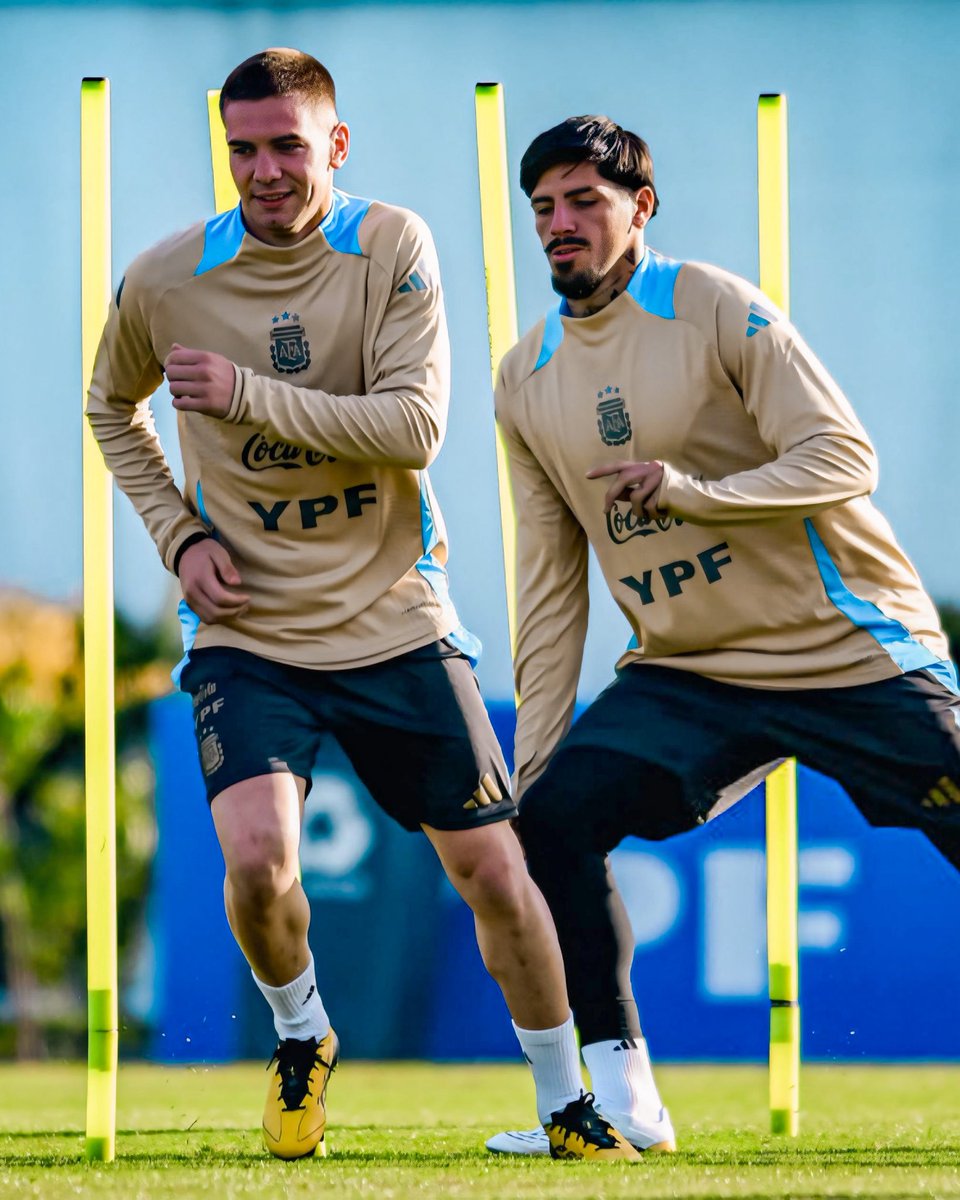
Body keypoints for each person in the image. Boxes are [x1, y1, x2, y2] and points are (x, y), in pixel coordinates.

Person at [86, 57, 642, 1163]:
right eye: (243, 149)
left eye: (288, 145)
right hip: (248, 629)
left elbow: (411, 428)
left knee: (494, 871)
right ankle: (302, 1035)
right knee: (255, 862)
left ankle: (566, 1100)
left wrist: (244, 393)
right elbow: (111, 409)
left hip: (395, 616)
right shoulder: (164, 279)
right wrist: (180, 535)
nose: (264, 170)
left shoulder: (393, 244)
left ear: (335, 146)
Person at [487, 114, 960, 1156]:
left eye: (583, 203)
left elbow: (845, 457)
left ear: (640, 208)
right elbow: (551, 584)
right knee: (556, 820)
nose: (559, 226)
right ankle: (622, 1103)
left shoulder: (714, 305)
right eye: (545, 210)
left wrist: (696, 494)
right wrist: (534, 758)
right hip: (691, 670)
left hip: (846, 645)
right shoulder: (524, 378)